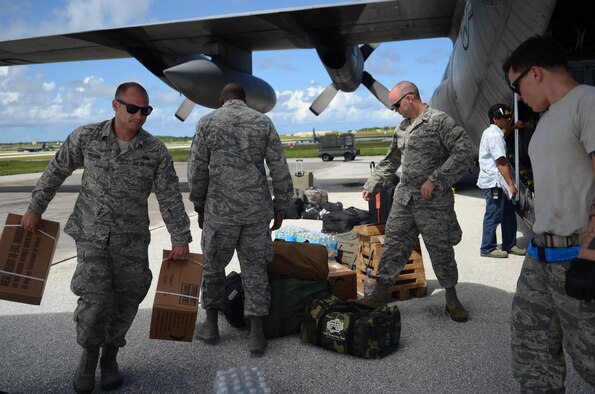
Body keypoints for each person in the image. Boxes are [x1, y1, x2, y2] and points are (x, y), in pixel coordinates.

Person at [20, 82, 192, 394]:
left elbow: (169, 197)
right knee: (96, 301)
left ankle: (110, 357)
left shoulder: (155, 151)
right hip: (91, 236)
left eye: (146, 111)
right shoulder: (86, 137)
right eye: (133, 109)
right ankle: (88, 356)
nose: (139, 116)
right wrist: (35, 207)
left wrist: (181, 238)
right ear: (115, 105)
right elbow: (56, 171)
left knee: (128, 299)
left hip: (132, 241)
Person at [503, 35, 595, 391]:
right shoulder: (546, 119)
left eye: (517, 85)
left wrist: (591, 249)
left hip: (578, 254)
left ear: (535, 73)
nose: (518, 96)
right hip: (541, 254)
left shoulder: (586, 102)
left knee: (589, 355)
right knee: (531, 348)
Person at [188, 82, 293, 354]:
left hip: (220, 213)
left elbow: (198, 169)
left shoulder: (207, 122)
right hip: (256, 212)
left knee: (213, 266)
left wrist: (199, 204)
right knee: (255, 269)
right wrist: (281, 205)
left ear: (222, 99)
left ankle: (211, 325)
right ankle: (256, 333)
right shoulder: (262, 122)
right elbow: (279, 167)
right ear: (245, 100)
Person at [359, 81, 474, 322]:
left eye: (396, 105)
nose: (395, 110)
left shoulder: (439, 121)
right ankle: (380, 294)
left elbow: (464, 152)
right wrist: (373, 184)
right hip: (405, 199)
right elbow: (391, 161)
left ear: (410, 98)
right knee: (392, 244)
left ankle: (452, 298)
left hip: (433, 201)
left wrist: (436, 180)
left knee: (440, 249)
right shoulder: (402, 128)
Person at [477, 103, 527, 258]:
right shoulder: (494, 135)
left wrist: (514, 127)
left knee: (508, 214)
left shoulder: (494, 132)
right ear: (495, 119)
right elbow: (501, 162)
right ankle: (487, 248)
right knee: (494, 214)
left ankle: (510, 244)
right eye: (506, 117)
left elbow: (504, 133)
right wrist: (512, 184)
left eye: (509, 115)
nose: (509, 118)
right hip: (495, 183)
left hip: (499, 182)